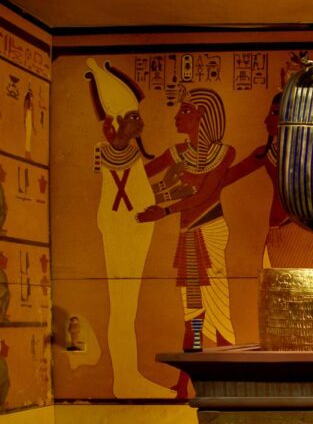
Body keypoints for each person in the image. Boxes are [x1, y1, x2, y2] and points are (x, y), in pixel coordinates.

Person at [85, 58, 177, 398]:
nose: (141, 122)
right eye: (134, 117)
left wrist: (165, 197)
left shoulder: (129, 156)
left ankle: (127, 375)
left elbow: (140, 194)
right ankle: (125, 378)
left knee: (127, 308)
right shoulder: (106, 153)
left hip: (132, 230)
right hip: (122, 231)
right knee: (123, 307)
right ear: (117, 122)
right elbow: (124, 197)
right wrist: (159, 202)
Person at [137, 88, 236, 395]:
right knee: (193, 314)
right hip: (188, 236)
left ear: (204, 116)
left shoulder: (224, 153)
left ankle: (228, 380)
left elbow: (205, 194)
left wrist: (164, 209)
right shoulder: (177, 153)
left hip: (209, 230)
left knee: (217, 309)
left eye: (186, 111)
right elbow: (140, 175)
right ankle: (185, 384)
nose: (177, 116)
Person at [222, 92, 313, 268]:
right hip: (275, 230)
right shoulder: (267, 153)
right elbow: (227, 177)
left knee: (300, 283)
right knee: (277, 282)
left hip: (301, 230)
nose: (266, 120)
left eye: (274, 113)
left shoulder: (312, 153)